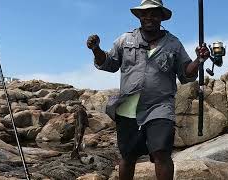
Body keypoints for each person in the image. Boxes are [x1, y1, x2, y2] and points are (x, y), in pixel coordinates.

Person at [86, 0, 210, 179]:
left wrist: (199, 60)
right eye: (144, 14)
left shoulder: (173, 43)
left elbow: (185, 74)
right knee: (128, 156)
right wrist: (96, 49)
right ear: (139, 17)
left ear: (161, 17)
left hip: (160, 106)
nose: (149, 17)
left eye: (153, 13)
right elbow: (109, 63)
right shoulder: (125, 40)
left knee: (162, 153)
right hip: (128, 107)